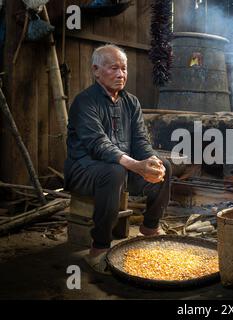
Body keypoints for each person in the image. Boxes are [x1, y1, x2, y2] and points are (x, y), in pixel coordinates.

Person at [64, 44, 172, 274]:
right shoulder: (85, 102)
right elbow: (99, 145)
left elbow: (141, 141)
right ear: (96, 70)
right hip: (85, 170)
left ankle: (150, 227)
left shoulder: (130, 102)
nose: (121, 74)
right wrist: (136, 166)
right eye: (114, 68)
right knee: (113, 171)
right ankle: (99, 248)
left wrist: (150, 162)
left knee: (165, 166)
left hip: (121, 171)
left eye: (123, 69)